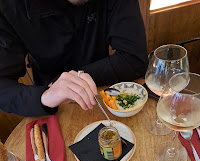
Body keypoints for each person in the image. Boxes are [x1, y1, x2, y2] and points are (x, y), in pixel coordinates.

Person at [0, 0, 148, 117]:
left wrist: (78, 78)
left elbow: (134, 59)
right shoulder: (10, 5)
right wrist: (44, 96)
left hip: (103, 89)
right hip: (51, 102)